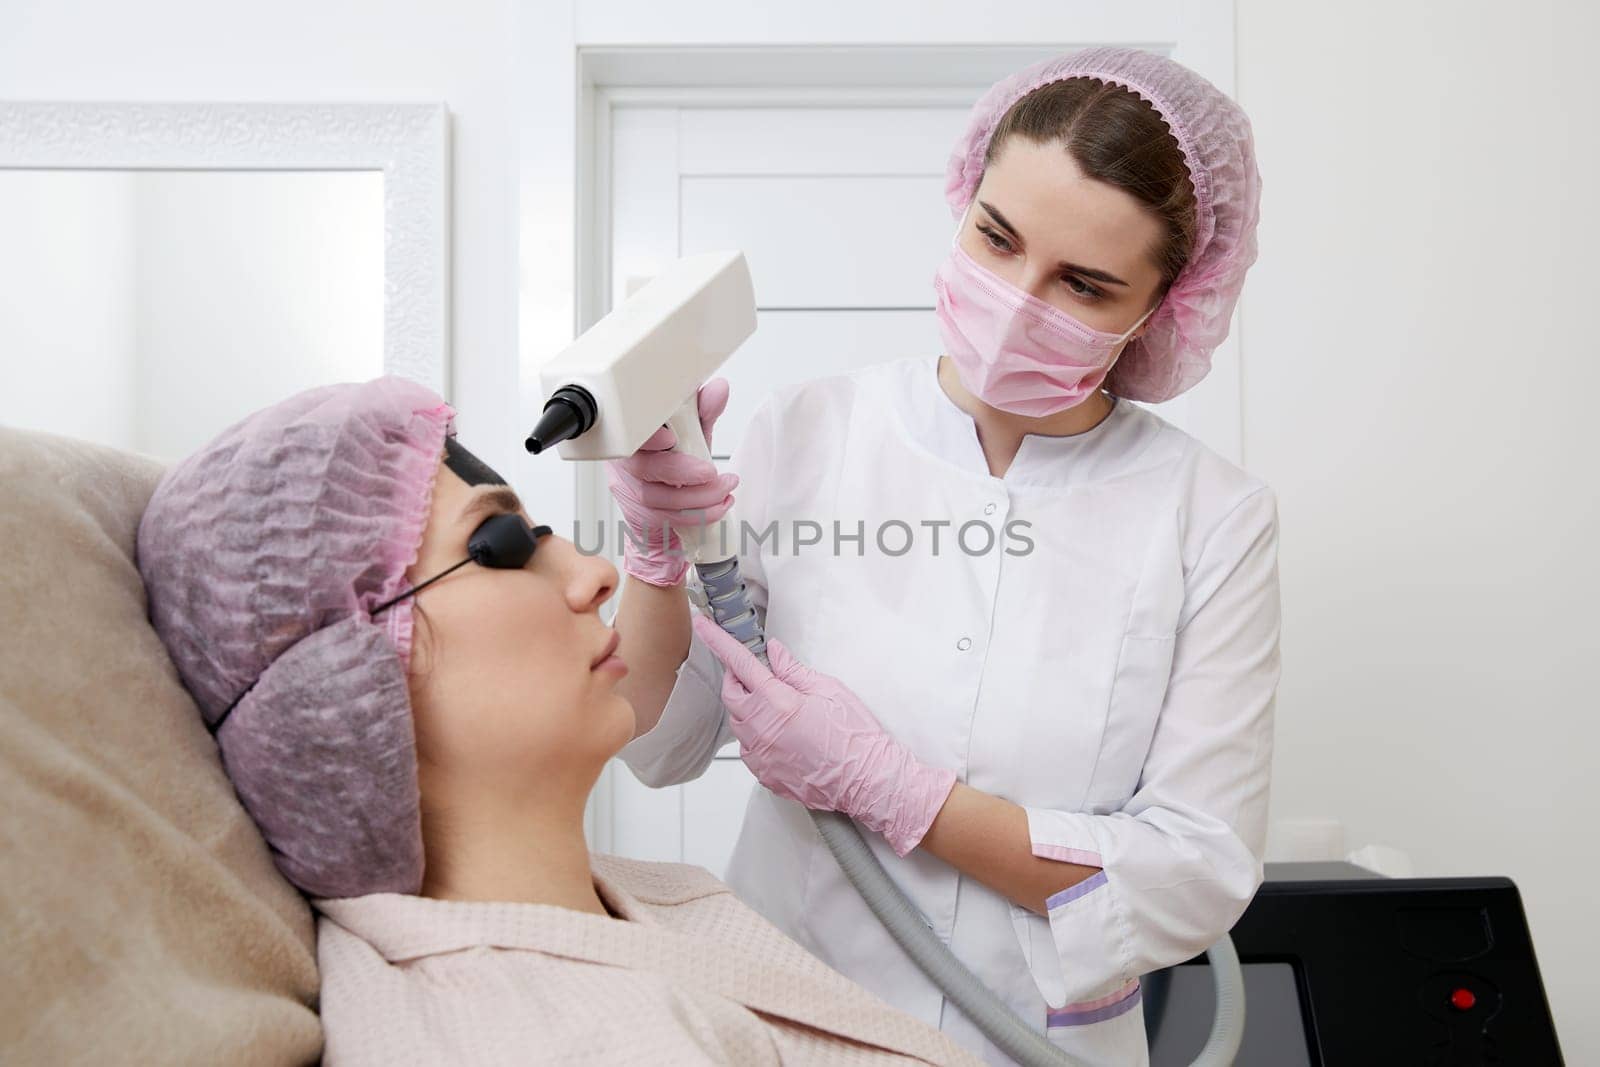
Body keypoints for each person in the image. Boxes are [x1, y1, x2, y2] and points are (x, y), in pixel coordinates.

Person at [608, 46, 1278, 1066]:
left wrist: (895, 790)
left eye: (1084, 285)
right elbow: (659, 738)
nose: (1016, 298)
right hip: (789, 1021)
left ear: (1164, 305)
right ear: (963, 198)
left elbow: (1192, 874)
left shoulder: (1211, 515)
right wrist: (656, 559)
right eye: (996, 238)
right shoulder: (811, 428)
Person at [135, 376, 984, 1066]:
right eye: (500, 543)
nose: (592, 571)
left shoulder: (629, 907)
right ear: (340, 679)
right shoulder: (506, 1039)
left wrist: (664, 550)